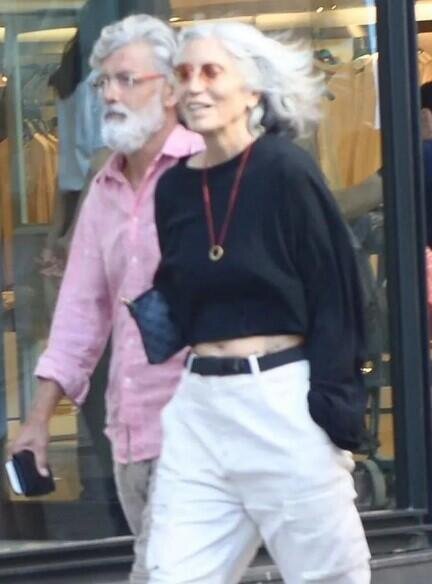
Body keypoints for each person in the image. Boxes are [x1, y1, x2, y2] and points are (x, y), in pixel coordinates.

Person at [145, 22, 371, 584]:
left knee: (328, 576)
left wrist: (333, 408)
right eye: (184, 74)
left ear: (252, 90)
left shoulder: (285, 171)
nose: (194, 87)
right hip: (200, 406)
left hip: (279, 398)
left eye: (211, 71)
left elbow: (338, 291)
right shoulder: (172, 188)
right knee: (173, 575)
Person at [9, 14, 202, 584]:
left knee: (162, 573)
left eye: (126, 80)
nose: (110, 95)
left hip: (203, 430)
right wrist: (38, 421)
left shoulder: (207, 170)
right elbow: (79, 315)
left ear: (171, 90)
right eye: (103, 83)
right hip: (131, 432)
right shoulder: (104, 188)